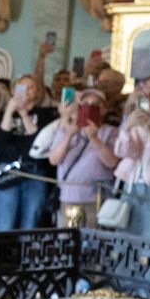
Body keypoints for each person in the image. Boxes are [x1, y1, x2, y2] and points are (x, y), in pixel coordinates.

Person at [47, 87, 120, 227]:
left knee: (93, 241)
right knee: (68, 239)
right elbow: (54, 160)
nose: (90, 107)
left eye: (96, 104)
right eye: (86, 103)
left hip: (96, 197)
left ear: (104, 109)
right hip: (69, 196)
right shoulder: (65, 129)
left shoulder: (111, 132)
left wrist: (94, 138)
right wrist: (69, 135)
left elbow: (111, 162)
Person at [0, 77, 57, 229]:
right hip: (8, 169)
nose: (26, 91)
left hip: (34, 171)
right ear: (14, 90)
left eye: (31, 87)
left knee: (31, 222)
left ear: (37, 92)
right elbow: (2, 137)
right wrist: (10, 110)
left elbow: (38, 141)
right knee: (4, 223)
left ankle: (26, 252)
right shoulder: (3, 114)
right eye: (22, 87)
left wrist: (23, 114)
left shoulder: (46, 115)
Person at [114, 90, 150, 239]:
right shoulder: (137, 128)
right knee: (126, 237)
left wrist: (149, 132)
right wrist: (126, 128)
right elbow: (122, 152)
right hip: (131, 186)